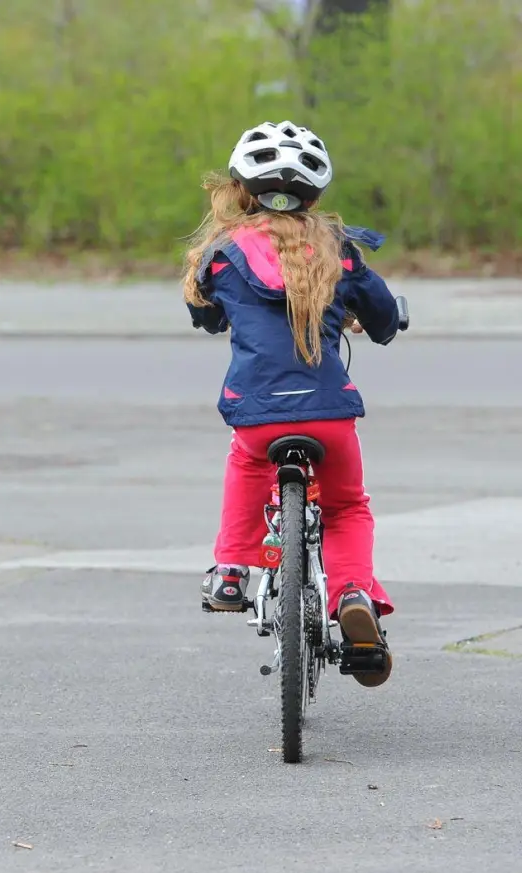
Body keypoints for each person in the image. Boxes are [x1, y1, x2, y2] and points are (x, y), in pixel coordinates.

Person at [182, 120, 403, 688]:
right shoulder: (339, 253)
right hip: (329, 415)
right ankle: (352, 592)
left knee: (245, 463)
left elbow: (205, 314)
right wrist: (377, 319)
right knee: (346, 507)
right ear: (316, 196)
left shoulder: (224, 254)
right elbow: (380, 317)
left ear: (242, 192)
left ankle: (231, 570)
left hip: (257, 414)